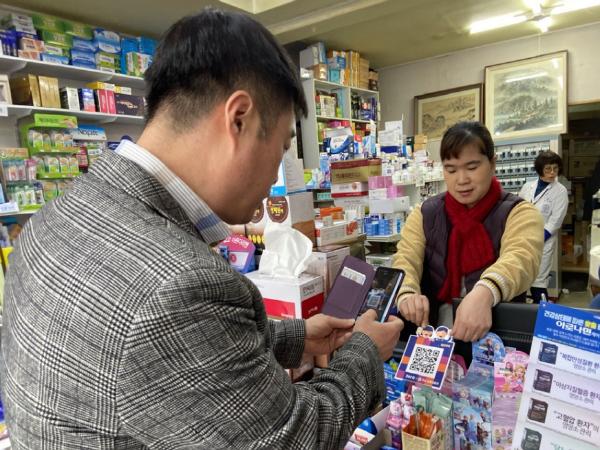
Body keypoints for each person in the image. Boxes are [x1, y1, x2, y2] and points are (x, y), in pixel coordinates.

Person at [0, 9, 404, 448]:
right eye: (283, 146)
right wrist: (364, 352)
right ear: (239, 119)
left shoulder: (55, 215)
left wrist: (297, 337)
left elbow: (163, 360)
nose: (277, 174)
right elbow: (294, 438)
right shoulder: (179, 282)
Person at [393, 121, 544, 342]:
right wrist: (406, 292)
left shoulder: (519, 212)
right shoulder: (426, 213)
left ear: (492, 164)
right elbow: (405, 259)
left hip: (495, 338)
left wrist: (486, 291)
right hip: (433, 334)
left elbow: (521, 257)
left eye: (472, 168)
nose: (462, 180)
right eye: (451, 169)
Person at [519, 151, 568, 302]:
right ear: (540, 169)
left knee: (538, 282)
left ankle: (542, 313)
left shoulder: (560, 191)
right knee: (520, 277)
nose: (552, 172)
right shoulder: (527, 187)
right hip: (523, 239)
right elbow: (518, 210)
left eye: (555, 168)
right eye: (548, 169)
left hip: (543, 242)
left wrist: (538, 239)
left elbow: (555, 221)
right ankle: (520, 312)